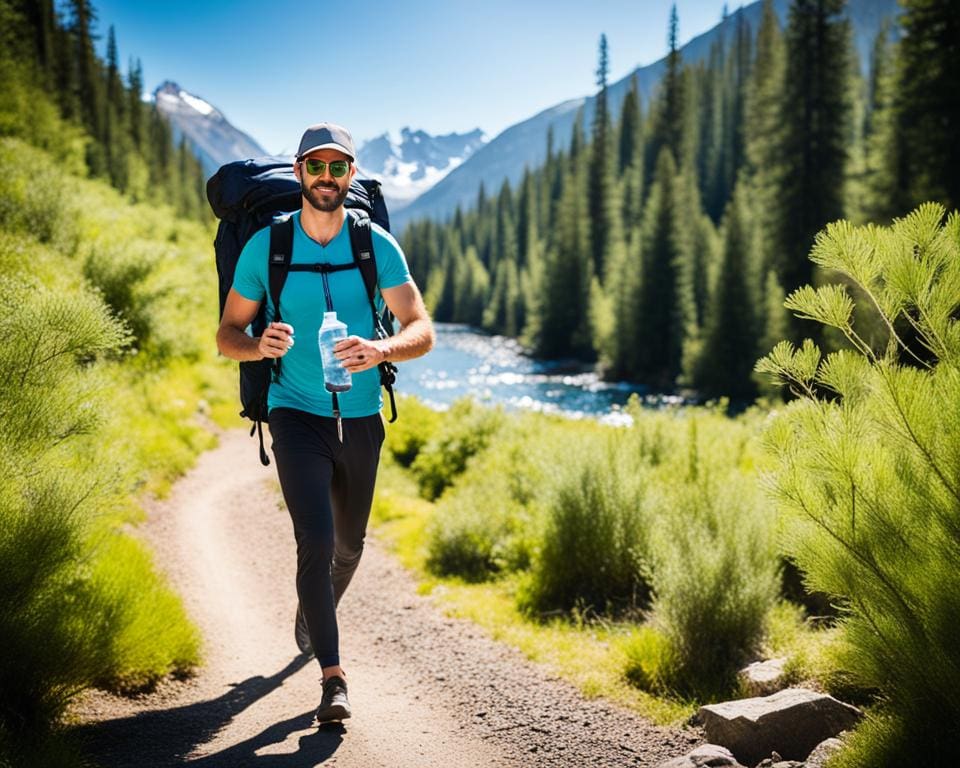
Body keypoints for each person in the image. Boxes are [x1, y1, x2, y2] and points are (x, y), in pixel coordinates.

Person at [216, 122, 434, 723]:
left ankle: (312, 610)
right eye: (317, 166)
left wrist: (382, 351)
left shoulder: (375, 246)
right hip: (295, 413)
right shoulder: (269, 246)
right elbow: (227, 335)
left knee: (348, 545)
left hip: (362, 416)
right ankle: (333, 679)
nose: (327, 178)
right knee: (313, 539)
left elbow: (420, 328)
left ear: (352, 176)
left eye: (339, 168)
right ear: (298, 173)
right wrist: (259, 346)